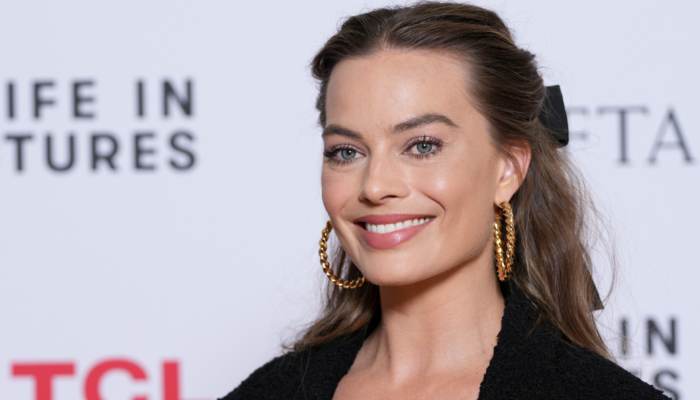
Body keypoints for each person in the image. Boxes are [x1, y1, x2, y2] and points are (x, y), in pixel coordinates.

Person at [220, 1, 670, 399]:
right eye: (347, 152)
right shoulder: (270, 391)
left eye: (422, 146)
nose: (375, 186)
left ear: (507, 169)